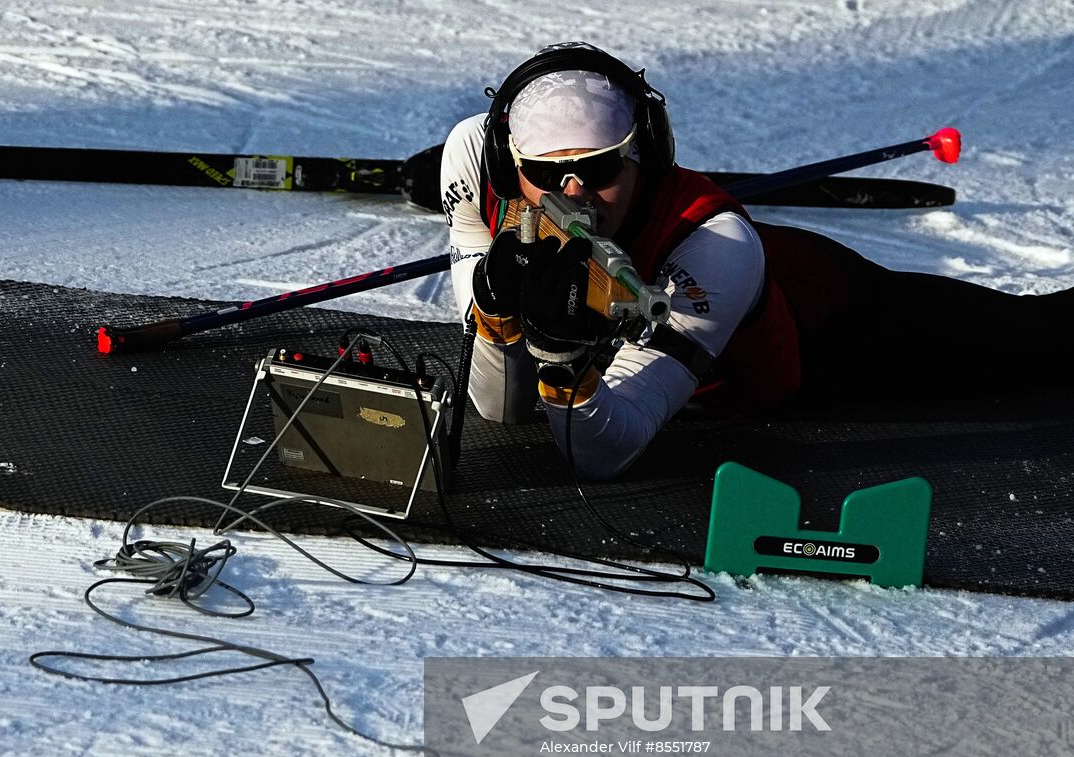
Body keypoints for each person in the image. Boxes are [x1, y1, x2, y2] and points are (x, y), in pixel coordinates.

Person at [441, 42, 1073, 480]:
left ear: (646, 157)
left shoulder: (715, 245)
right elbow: (502, 410)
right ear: (506, 165)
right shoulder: (473, 157)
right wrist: (497, 316)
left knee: (1036, 340)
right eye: (548, 173)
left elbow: (606, 452)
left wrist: (563, 357)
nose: (574, 193)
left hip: (826, 328)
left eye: (602, 167)